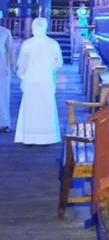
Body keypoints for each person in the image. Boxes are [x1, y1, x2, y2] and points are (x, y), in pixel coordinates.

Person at [15, 17, 63, 146]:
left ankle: (29, 138)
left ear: (33, 27)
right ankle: (47, 138)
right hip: (47, 80)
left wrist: (23, 75)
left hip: (31, 81)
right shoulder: (53, 43)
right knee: (46, 109)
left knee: (30, 109)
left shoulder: (27, 44)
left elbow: (21, 64)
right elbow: (59, 63)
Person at [0, 10, 15, 133]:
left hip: (2, 69)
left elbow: (11, 51)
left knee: (3, 97)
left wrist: (13, 67)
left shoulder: (5, 32)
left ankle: (4, 122)